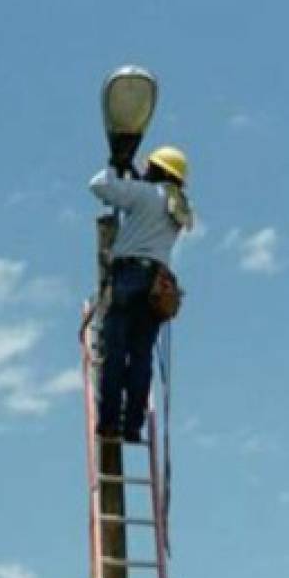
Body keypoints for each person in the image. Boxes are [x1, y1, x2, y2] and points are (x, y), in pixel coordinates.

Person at [88, 145, 192, 442]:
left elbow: (99, 186)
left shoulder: (146, 194)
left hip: (130, 276)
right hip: (157, 285)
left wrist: (113, 165)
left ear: (158, 171)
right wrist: (135, 175)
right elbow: (150, 198)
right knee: (141, 356)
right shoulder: (178, 205)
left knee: (115, 352)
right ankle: (133, 426)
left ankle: (109, 423)